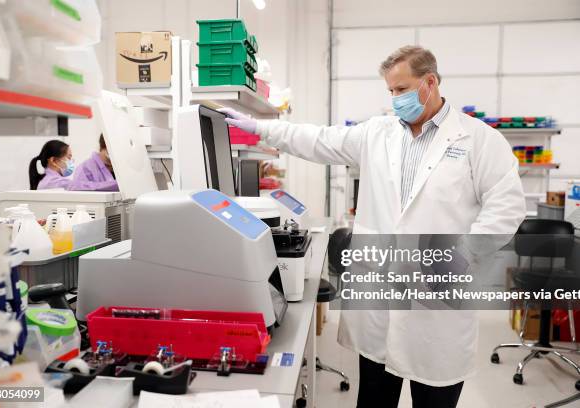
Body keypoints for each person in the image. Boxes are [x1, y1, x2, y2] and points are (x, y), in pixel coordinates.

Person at [221, 45, 526, 408]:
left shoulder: (478, 140)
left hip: (438, 302)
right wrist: (260, 128)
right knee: (374, 398)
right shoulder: (377, 134)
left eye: (401, 90)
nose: (395, 99)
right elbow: (318, 140)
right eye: (390, 92)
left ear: (430, 83)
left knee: (434, 398)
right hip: (380, 299)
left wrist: (465, 254)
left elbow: (507, 206)